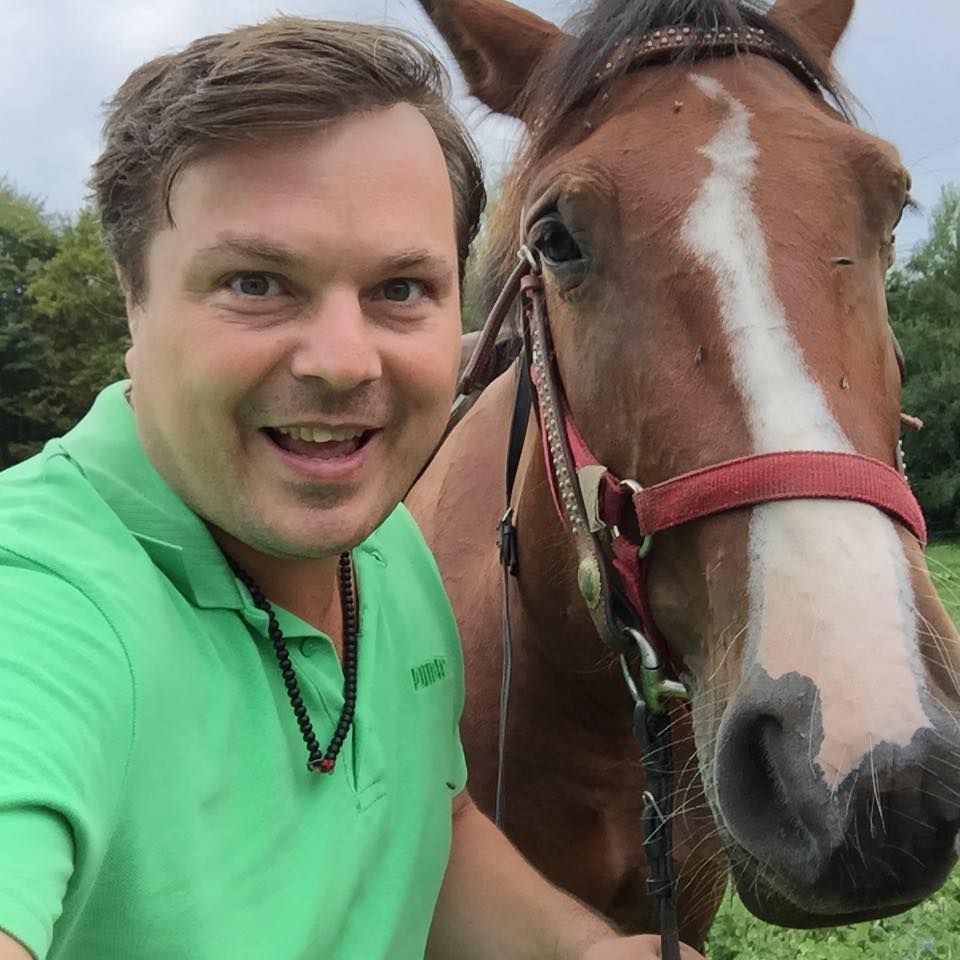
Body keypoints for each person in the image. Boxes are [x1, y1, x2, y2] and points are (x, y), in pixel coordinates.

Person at [0, 17, 704, 960]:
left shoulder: (386, 544)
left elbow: (432, 819)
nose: (342, 361)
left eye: (401, 288)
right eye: (256, 282)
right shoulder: (39, 600)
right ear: (134, 297)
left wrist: (581, 950)